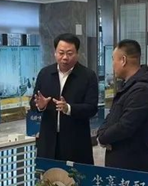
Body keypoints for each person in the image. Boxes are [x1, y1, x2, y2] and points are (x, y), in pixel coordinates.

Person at [31, 33, 99, 164]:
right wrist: (40, 105)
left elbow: (92, 108)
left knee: (74, 176)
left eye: (69, 53)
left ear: (77, 54)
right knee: (47, 176)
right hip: (48, 142)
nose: (65, 57)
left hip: (75, 143)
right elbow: (33, 102)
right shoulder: (45, 74)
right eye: (61, 53)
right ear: (55, 53)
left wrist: (68, 108)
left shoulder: (87, 76)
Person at [97, 40, 148, 172]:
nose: (112, 64)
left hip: (132, 164)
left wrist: (103, 138)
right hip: (119, 160)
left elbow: (126, 125)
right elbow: (112, 116)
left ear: (123, 60)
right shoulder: (128, 86)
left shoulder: (142, 90)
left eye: (113, 59)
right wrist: (101, 133)